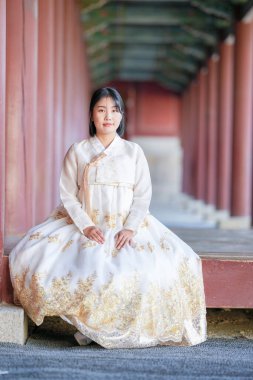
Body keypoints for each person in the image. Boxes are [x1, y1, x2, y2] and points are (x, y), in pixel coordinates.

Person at [9, 87, 207, 349]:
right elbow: (68, 195)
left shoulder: (133, 152)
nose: (108, 116)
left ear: (121, 115)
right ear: (91, 115)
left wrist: (131, 228)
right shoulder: (78, 151)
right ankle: (89, 326)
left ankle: (119, 328)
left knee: (159, 266)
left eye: (114, 110)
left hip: (126, 225)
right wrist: (86, 225)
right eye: (101, 110)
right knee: (78, 265)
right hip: (87, 224)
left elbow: (142, 195)